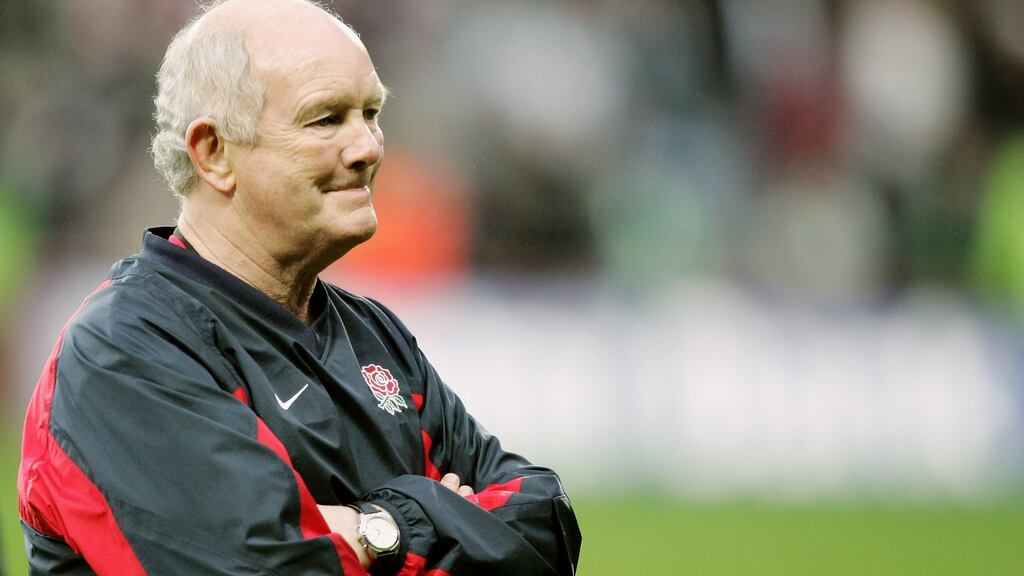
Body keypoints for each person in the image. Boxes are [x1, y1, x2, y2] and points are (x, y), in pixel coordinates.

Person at [16, 0, 582, 574]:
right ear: (213, 153)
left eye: (371, 113)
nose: (367, 148)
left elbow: (543, 526)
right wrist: (433, 515)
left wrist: (374, 528)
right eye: (327, 119)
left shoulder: (375, 336)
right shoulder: (126, 350)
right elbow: (272, 567)